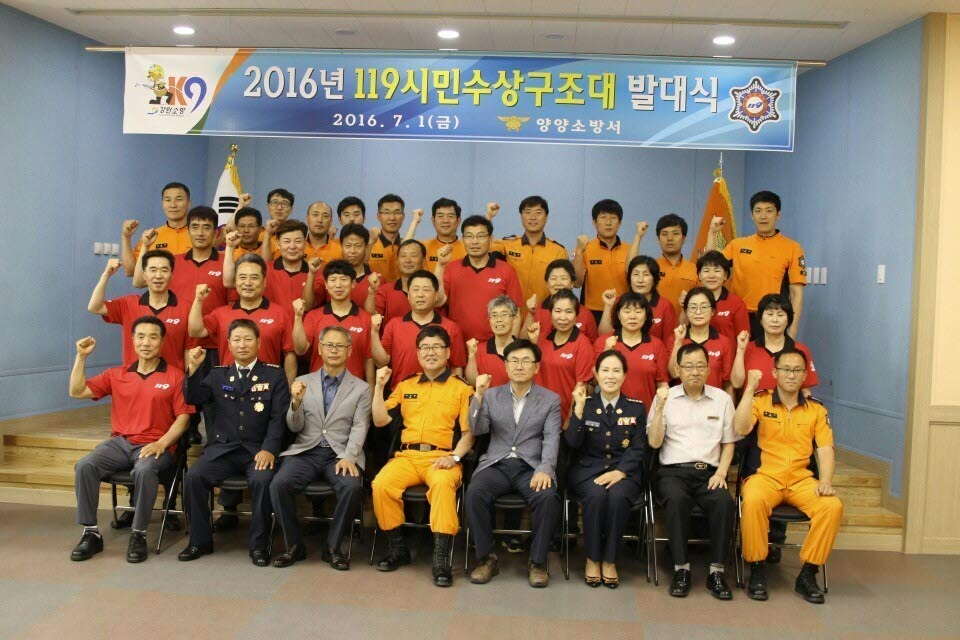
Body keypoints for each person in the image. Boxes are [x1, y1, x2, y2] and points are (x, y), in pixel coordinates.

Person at [68, 320, 192, 563]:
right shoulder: (117, 374)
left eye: (153, 337)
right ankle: (91, 533)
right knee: (85, 465)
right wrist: (81, 357)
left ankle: (139, 534)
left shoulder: (176, 376)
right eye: (141, 336)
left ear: (162, 341)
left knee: (144, 470)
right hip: (120, 443)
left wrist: (162, 443)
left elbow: (184, 418)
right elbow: (77, 391)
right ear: (132, 340)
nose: (146, 342)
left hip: (156, 444)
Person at [178, 319, 291, 565]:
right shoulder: (217, 374)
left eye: (248, 339)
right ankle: (199, 541)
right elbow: (194, 397)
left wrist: (269, 449)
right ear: (228, 344)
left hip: (257, 450)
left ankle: (259, 545)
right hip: (223, 450)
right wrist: (193, 369)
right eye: (237, 340)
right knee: (194, 477)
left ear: (258, 343)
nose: (242, 345)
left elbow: (278, 418)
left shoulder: (274, 375)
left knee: (262, 480)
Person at [734, 350, 842, 604]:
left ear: (805, 375)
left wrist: (826, 481)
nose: (791, 375)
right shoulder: (761, 401)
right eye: (786, 370)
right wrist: (749, 390)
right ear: (775, 373)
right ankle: (757, 568)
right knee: (753, 501)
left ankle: (808, 573)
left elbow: (825, 448)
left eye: (797, 371)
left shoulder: (816, 410)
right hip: (765, 477)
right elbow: (740, 428)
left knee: (832, 507)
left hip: (800, 480)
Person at [371, 326, 475, 587]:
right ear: (417, 354)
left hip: (442, 457)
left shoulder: (462, 389)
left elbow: (469, 434)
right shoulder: (405, 386)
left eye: (437, 347)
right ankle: (397, 548)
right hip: (407, 457)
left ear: (448, 352)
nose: (431, 352)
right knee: (381, 484)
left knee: (442, 484)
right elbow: (380, 420)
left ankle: (441, 559)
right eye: (425, 348)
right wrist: (379, 387)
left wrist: (455, 458)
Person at [270, 326, 371, 570]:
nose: (334, 350)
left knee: (351, 486)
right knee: (278, 484)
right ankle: (294, 546)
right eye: (328, 345)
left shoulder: (361, 388)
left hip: (340, 453)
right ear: (319, 349)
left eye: (339, 346)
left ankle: (333, 547)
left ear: (349, 351)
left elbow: (360, 426)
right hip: (306, 451)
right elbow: (294, 427)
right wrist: (295, 403)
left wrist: (349, 457)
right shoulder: (303, 382)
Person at [465, 339, 563, 588]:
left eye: (526, 361)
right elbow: (477, 429)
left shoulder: (550, 400)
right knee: (474, 493)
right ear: (506, 366)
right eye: (514, 361)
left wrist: (545, 468)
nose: (519, 366)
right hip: (497, 465)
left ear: (536, 367)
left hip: (530, 467)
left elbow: (552, 438)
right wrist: (478, 395)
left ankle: (538, 562)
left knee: (548, 497)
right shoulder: (491, 395)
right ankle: (486, 558)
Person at [647, 343, 738, 599]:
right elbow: (654, 442)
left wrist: (721, 473)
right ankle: (681, 569)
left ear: (708, 369)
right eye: (688, 366)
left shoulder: (722, 400)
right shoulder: (665, 398)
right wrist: (660, 409)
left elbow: (729, 442)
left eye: (700, 366)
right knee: (676, 500)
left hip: (710, 473)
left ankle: (716, 573)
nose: (695, 371)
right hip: (673, 472)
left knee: (724, 503)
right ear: (678, 370)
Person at [566, 351, 648, 588]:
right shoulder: (585, 404)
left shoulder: (636, 408)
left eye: (616, 371)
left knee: (618, 497)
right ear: (596, 374)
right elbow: (572, 443)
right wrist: (578, 410)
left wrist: (621, 471)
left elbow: (638, 447)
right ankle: (593, 558)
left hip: (624, 472)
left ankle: (610, 560)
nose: (610, 376)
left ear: (625, 375)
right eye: (605, 370)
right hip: (587, 470)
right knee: (596, 495)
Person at [706, 191, 807, 338]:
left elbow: (796, 293)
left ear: (778, 215)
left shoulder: (792, 248)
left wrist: (792, 331)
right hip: (737, 316)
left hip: (772, 318)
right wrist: (712, 233)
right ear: (752, 215)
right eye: (758, 211)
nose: (763, 216)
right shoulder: (737, 245)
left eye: (769, 211)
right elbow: (710, 265)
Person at [188, 253, 297, 382]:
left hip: (268, 386)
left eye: (254, 278)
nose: (248, 283)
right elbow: (195, 331)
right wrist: (198, 300)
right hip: (228, 387)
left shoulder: (280, 313)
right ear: (235, 281)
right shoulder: (220, 314)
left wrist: (289, 388)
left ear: (264, 281)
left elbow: (289, 353)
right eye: (242, 277)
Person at [88, 252, 190, 371]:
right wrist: (106, 275)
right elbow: (95, 307)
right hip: (133, 379)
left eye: (164, 270)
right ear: (144, 276)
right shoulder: (128, 304)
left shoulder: (187, 308)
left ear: (172, 275)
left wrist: (188, 379)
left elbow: (189, 350)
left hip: (172, 380)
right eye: (153, 270)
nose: (158, 275)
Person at [372, 269, 467, 386]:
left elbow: (456, 367)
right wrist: (374, 332)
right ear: (408, 295)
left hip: (440, 393)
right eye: (415, 290)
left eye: (426, 290)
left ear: (436, 295)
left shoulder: (451, 327)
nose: (420, 295)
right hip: (401, 393)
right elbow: (381, 362)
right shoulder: (394, 325)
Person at [441, 215, 523, 342]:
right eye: (469, 236)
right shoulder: (451, 268)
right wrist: (440, 265)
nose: (474, 242)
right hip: (457, 344)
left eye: (480, 236)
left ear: (491, 239)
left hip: (494, 346)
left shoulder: (507, 271)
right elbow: (438, 301)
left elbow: (515, 313)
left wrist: (510, 347)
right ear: (463, 239)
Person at [293, 260, 374, 385]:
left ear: (353, 283)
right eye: (333, 280)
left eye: (343, 279)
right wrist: (298, 317)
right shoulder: (313, 316)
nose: (338, 285)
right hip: (318, 388)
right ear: (326, 284)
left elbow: (369, 361)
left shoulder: (366, 319)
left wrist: (371, 393)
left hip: (353, 389)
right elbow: (300, 349)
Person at [526, 289, 595, 425]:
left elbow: (580, 387)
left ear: (576, 315)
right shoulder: (541, 338)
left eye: (569, 312)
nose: (563, 317)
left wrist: (569, 422)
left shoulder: (583, 344)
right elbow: (530, 374)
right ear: (550, 313)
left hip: (564, 416)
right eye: (557, 311)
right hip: (536, 415)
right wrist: (533, 343)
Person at [484, 196, 568, 305]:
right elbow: (482, 248)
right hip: (512, 312)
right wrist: (488, 217)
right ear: (521, 216)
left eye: (538, 213)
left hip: (544, 313)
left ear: (546, 217)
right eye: (528, 212)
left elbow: (568, 285)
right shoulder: (506, 245)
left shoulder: (558, 251)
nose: (533, 217)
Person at [573, 199, 644, 322]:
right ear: (594, 222)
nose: (608, 222)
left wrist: (638, 236)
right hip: (592, 312)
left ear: (619, 223)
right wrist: (579, 252)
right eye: (603, 217)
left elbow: (633, 276)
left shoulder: (630, 249)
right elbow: (577, 283)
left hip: (623, 310)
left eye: (613, 218)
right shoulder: (585, 248)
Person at [731, 294, 818, 392]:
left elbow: (805, 391)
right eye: (769, 314)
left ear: (788, 320)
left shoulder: (800, 350)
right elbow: (736, 384)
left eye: (780, 315)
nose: (775, 320)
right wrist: (740, 350)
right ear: (760, 319)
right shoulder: (747, 348)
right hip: (752, 402)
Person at [595, 292, 669, 408]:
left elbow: (662, 384)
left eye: (638, 311)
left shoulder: (656, 345)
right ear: (618, 315)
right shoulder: (604, 342)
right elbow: (594, 382)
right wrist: (607, 351)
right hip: (609, 414)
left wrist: (660, 412)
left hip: (646, 413)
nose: (632, 316)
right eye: (627, 311)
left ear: (646, 315)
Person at [667, 287, 735, 396]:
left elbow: (728, 383)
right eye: (693, 307)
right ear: (686, 311)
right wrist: (678, 342)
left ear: (713, 311)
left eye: (704, 307)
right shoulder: (675, 338)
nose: (698, 312)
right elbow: (674, 374)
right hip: (681, 401)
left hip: (713, 402)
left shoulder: (724, 342)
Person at [599, 255, 677, 344]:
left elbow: (669, 341)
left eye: (646, 274)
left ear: (654, 279)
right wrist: (608, 306)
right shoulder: (618, 302)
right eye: (636, 274)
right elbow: (603, 337)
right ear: (629, 278)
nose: (640, 280)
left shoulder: (665, 305)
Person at [120, 182, 193, 276]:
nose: (173, 205)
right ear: (162, 204)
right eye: (168, 200)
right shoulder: (152, 237)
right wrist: (126, 237)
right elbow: (130, 271)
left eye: (179, 200)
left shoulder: (199, 235)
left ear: (188, 203)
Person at [303, 224, 380, 312]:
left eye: (358, 246)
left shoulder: (377, 280)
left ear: (366, 247)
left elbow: (376, 316)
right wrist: (311, 274)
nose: (352, 251)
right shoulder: (328, 276)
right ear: (341, 246)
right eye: (348, 246)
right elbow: (307, 306)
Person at [521, 259, 598, 343]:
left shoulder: (585, 314)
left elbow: (593, 343)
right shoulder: (536, 310)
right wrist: (531, 314)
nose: (558, 283)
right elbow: (523, 342)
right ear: (547, 283)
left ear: (572, 283)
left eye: (563, 278)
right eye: (553, 278)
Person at [638, 214, 698, 317]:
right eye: (665, 234)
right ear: (658, 239)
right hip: (653, 323)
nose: (670, 238)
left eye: (675, 234)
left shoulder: (695, 269)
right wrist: (638, 236)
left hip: (686, 323)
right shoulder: (649, 268)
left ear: (684, 238)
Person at [252, 219, 311, 309]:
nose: (292, 246)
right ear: (278, 244)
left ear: (305, 244)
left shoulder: (315, 274)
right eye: (287, 241)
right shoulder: (264, 271)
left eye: (298, 241)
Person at [693, 250, 750, 345]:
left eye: (717, 271)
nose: (711, 276)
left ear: (725, 275)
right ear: (699, 275)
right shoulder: (692, 300)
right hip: (697, 353)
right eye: (706, 271)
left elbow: (744, 338)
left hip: (728, 353)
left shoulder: (736, 304)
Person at [369, 239, 427, 325]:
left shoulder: (432, 291)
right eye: (403, 256)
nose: (408, 260)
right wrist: (372, 291)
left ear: (423, 261)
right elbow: (371, 318)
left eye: (413, 256)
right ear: (397, 262)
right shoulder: (385, 290)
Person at [465, 296, 519, 387]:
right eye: (494, 315)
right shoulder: (479, 350)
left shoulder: (524, 349)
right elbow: (472, 383)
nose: (499, 320)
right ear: (489, 320)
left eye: (504, 315)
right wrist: (471, 355)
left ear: (514, 318)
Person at [401, 197, 465, 271]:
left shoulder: (467, 249)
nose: (445, 220)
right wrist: (415, 221)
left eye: (450, 216)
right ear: (433, 220)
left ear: (458, 221)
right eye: (440, 216)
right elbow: (404, 249)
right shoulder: (423, 247)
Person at [367, 194, 406, 282]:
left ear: (403, 216)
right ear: (378, 216)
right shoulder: (369, 245)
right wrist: (370, 243)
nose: (392, 218)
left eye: (397, 212)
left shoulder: (407, 246)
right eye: (386, 212)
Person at [259, 188, 296, 259]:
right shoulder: (258, 235)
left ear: (291, 210)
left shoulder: (295, 235)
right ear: (268, 207)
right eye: (275, 203)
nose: (279, 208)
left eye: (284, 204)